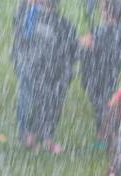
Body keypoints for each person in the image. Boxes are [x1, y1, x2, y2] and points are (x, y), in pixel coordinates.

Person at [13, 0, 78, 153]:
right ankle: (39, 137)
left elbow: (21, 40)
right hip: (46, 68)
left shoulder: (36, 18)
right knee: (44, 102)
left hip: (43, 67)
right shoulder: (37, 17)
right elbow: (71, 49)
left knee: (40, 101)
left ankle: (35, 136)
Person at [80, 0, 121, 142]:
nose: (100, 10)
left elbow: (87, 45)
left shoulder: (101, 31)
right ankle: (110, 133)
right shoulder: (120, 31)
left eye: (102, 8)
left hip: (97, 74)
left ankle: (105, 136)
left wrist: (83, 43)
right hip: (111, 73)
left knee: (101, 106)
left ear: (106, 12)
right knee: (106, 102)